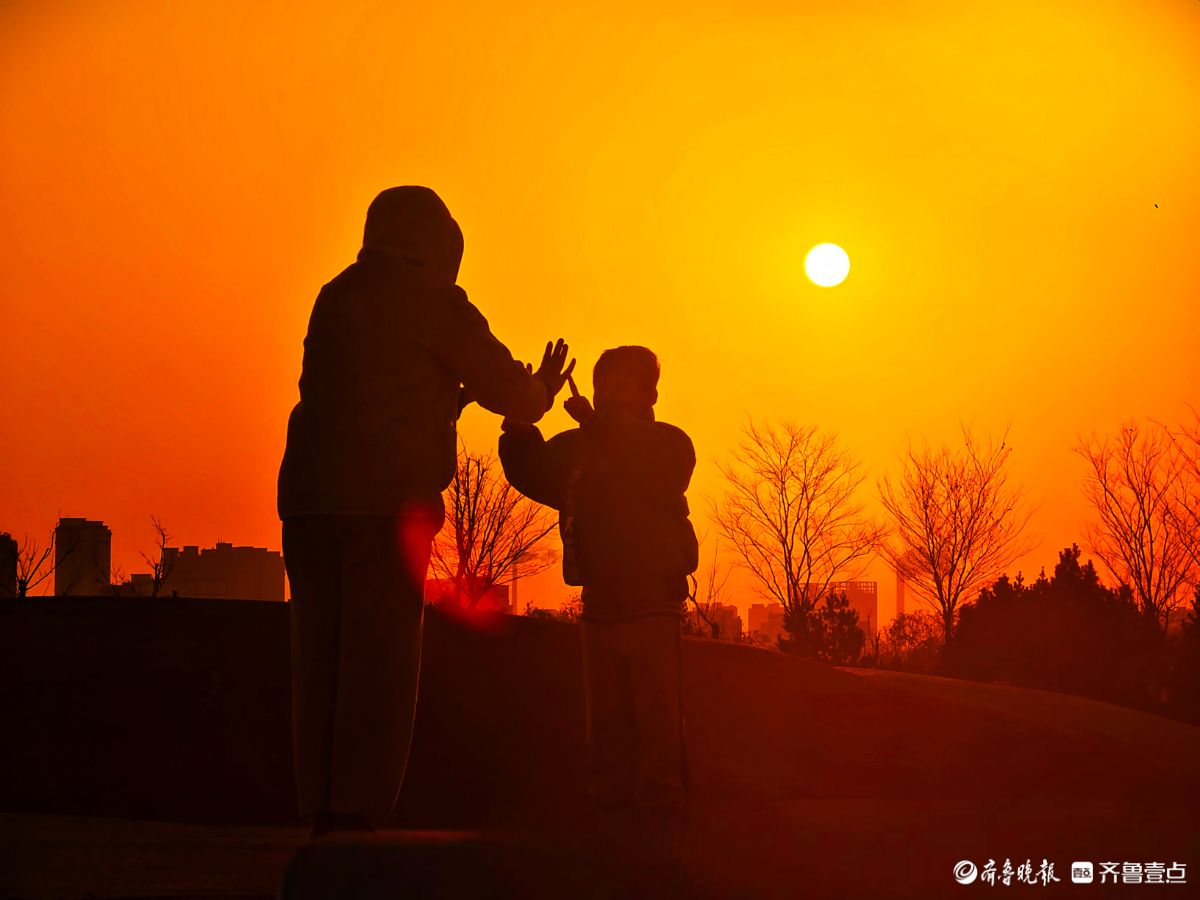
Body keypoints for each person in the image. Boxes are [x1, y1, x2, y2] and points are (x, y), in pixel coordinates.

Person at [277, 185, 574, 838]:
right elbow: (512, 391)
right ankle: (358, 817)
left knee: (318, 666)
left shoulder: (338, 294)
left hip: (308, 499)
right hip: (384, 504)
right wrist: (541, 391)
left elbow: (352, 391)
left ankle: (320, 811)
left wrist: (443, 402)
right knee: (378, 668)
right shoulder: (434, 300)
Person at [497, 346, 698, 864]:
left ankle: (663, 829)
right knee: (605, 722)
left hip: (654, 605)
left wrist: (600, 426)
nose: (609, 396)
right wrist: (520, 419)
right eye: (603, 385)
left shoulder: (669, 444)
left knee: (657, 722)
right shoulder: (582, 445)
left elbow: (661, 469)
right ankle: (608, 826)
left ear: (650, 395)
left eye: (622, 387)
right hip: (600, 606)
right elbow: (533, 470)